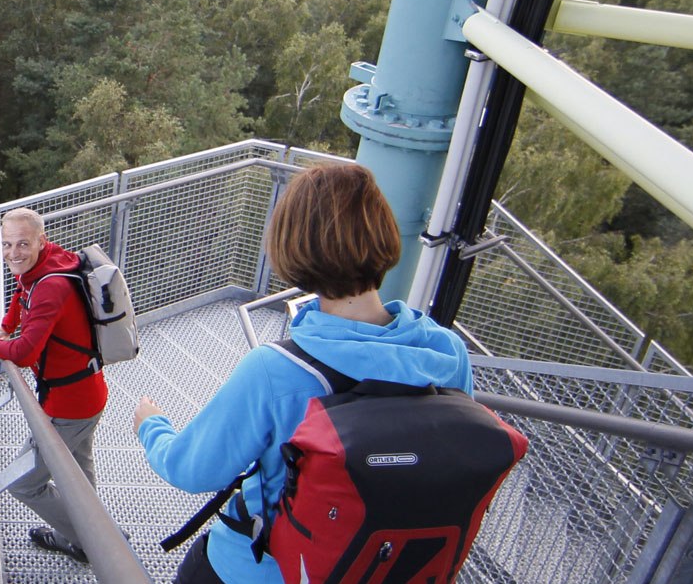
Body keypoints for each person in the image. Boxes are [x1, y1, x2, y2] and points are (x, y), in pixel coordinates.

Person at [132, 164, 474, 584]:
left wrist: (151, 425)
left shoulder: (275, 371)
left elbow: (192, 470)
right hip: (385, 566)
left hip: (266, 568)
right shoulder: (448, 352)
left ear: (293, 250)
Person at [0, 207, 109, 564]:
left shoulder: (51, 286)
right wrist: (6, 325)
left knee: (24, 483)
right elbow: (23, 291)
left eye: (22, 243)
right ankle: (95, 532)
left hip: (70, 405)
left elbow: (24, 352)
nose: (13, 253)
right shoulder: (49, 263)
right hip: (87, 392)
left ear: (41, 240)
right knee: (78, 474)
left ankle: (91, 543)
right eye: (6, 245)